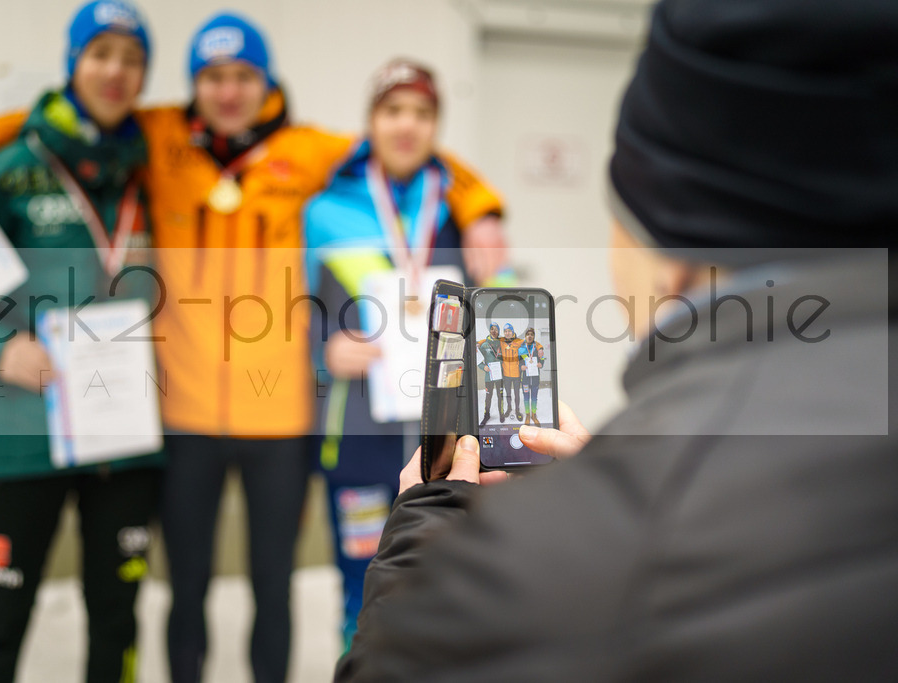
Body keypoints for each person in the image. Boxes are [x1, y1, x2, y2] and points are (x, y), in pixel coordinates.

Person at [0, 14, 506, 683]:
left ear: (266, 80)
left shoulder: (308, 150)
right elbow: (43, 123)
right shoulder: (158, 134)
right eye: (212, 77)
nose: (229, 92)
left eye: (243, 76)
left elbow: (404, 145)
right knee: (186, 591)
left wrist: (480, 201)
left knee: (272, 588)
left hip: (280, 419)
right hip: (185, 416)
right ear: (194, 83)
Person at [335, 0, 898, 680]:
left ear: (666, 258)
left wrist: (423, 533)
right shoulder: (328, 205)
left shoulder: (586, 556)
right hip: (364, 423)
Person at [0, 3, 162, 681]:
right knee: (1, 618)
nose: (116, 71)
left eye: (133, 58)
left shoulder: (153, 164)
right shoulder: (9, 167)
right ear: (73, 62)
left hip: (125, 440)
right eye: (101, 53)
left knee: (117, 618)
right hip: (26, 438)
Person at [303, 58, 509, 652]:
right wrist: (325, 352)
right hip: (359, 432)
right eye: (393, 111)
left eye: (422, 114)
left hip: (449, 433)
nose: (406, 126)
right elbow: (291, 309)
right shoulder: (324, 211)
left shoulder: (464, 213)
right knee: (360, 576)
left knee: (448, 575)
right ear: (370, 120)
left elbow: (498, 311)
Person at [477, 321, 505, 425]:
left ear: (498, 331)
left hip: (499, 376)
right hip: (489, 377)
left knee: (500, 396)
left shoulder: (502, 344)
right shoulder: (484, 345)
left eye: (496, 329)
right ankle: (486, 414)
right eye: (492, 329)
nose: (494, 331)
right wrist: (483, 367)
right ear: (490, 330)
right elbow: (478, 360)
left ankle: (501, 413)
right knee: (488, 396)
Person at [517, 326, 544, 426]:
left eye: (532, 335)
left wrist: (541, 364)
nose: (530, 336)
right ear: (525, 336)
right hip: (525, 379)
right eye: (528, 334)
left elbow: (542, 359)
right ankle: (528, 415)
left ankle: (534, 414)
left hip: (536, 378)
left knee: (534, 397)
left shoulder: (537, 348)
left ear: (534, 336)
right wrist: (521, 367)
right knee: (526, 397)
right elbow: (519, 363)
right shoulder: (521, 349)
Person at [498, 322, 523, 421]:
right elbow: (488, 340)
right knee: (508, 393)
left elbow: (532, 343)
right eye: (505, 331)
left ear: (512, 332)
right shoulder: (501, 341)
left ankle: (517, 410)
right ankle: (509, 408)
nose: (507, 333)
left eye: (509, 331)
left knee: (517, 393)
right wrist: (479, 343)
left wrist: (540, 348)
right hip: (506, 374)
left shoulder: (519, 341)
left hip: (516, 373)